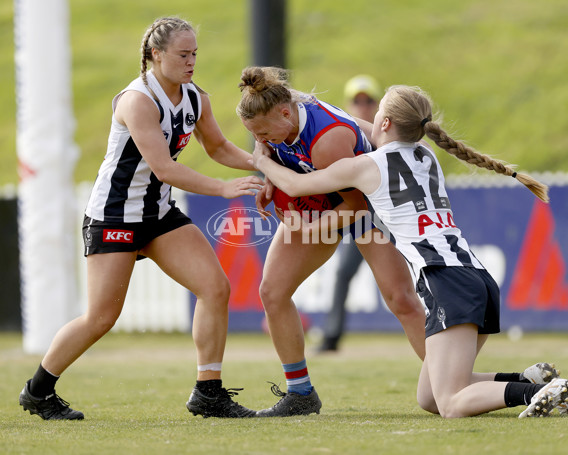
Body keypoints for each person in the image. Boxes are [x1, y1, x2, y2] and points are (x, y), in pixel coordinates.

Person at [251, 84, 568, 418]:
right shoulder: (426, 154)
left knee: (450, 403)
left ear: (386, 122)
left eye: (378, 113)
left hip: (446, 282)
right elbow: (351, 122)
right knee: (430, 397)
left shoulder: (365, 167)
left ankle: (540, 392)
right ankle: (526, 380)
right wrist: (290, 95)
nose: (372, 117)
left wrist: (261, 160)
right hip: (475, 278)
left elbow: (295, 184)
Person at [18, 17, 264, 420]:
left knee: (215, 287)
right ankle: (38, 391)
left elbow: (218, 146)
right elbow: (165, 168)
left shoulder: (195, 97)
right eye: (183, 55)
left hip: (158, 214)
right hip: (114, 216)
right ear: (156, 55)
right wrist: (223, 188)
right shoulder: (138, 101)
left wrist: (261, 166)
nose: (191, 63)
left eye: (195, 55)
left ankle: (208, 392)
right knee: (101, 318)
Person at [237, 66, 428, 418]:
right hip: (325, 201)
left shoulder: (327, 140)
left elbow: (354, 206)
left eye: (264, 132)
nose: (261, 140)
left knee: (400, 299)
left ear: (285, 112)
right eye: (255, 135)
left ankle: (451, 379)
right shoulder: (275, 117)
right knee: (272, 291)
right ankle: (300, 393)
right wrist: (270, 181)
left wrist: (309, 228)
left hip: (367, 204)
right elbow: (272, 154)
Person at [319, 74, 382, 353]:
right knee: (343, 273)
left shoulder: (384, 135)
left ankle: (435, 332)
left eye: (367, 100)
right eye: (357, 101)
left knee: (403, 285)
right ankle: (332, 336)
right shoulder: (340, 134)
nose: (363, 106)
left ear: (377, 104)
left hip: (385, 216)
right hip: (361, 217)